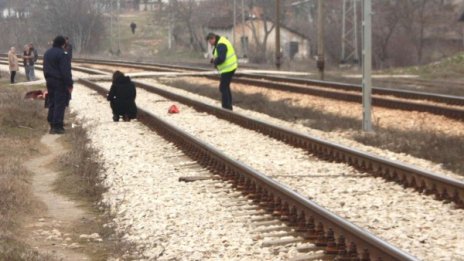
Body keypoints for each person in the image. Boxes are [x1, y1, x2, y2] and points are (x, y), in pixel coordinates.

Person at [43, 35, 73, 134]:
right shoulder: (62, 54)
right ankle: (57, 126)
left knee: (52, 102)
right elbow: (65, 71)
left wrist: (47, 78)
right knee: (60, 103)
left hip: (49, 81)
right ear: (63, 44)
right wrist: (69, 83)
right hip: (60, 82)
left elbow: (45, 68)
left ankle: (52, 123)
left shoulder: (47, 53)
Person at [206, 32, 238, 110]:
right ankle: (228, 106)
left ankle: (226, 107)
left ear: (213, 38)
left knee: (223, 87)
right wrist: (214, 60)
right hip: (229, 68)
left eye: (210, 42)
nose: (210, 44)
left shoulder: (221, 44)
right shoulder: (220, 42)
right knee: (226, 87)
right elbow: (219, 56)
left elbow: (221, 58)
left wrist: (215, 62)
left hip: (228, 68)